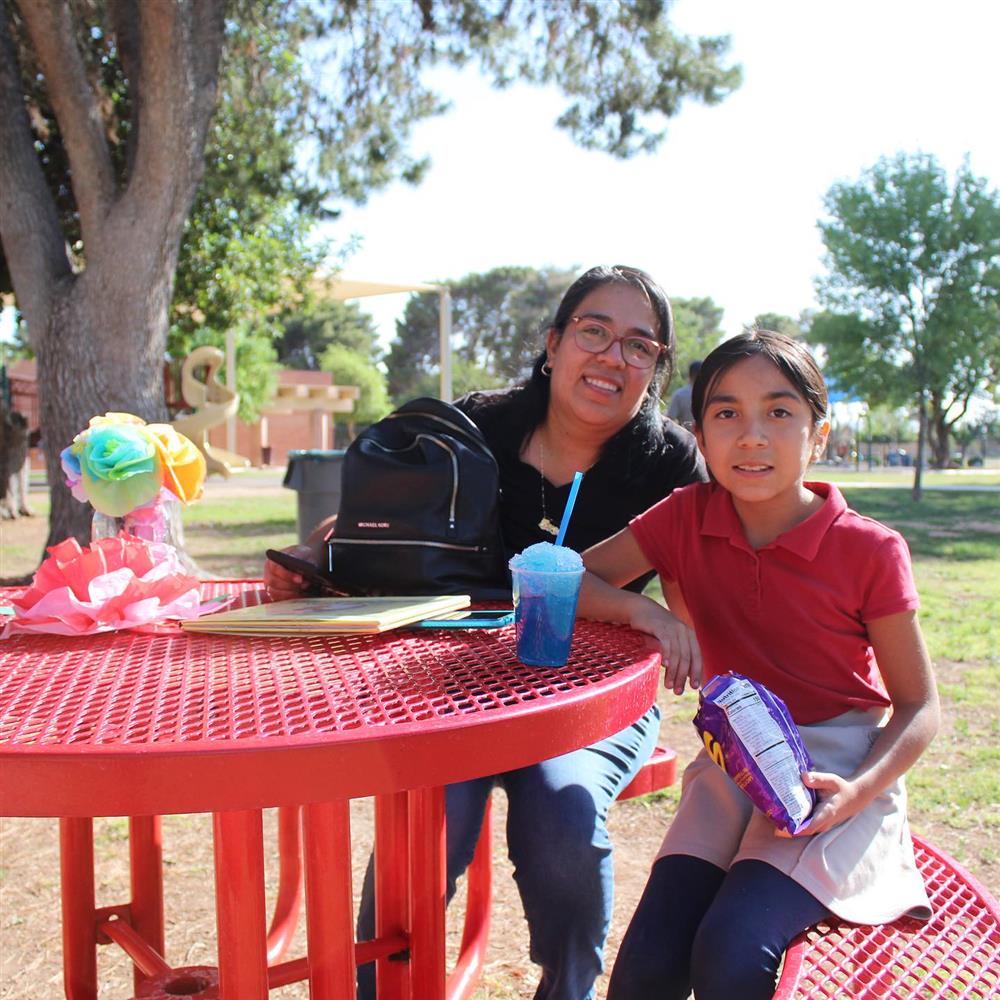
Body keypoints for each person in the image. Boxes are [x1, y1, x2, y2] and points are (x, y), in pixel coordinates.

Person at [264, 264, 708, 1000]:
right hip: (450, 678)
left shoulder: (668, 461)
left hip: (584, 691)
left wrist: (655, 618)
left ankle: (567, 987)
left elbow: (695, 596)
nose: (612, 357)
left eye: (639, 346)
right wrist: (311, 555)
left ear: (656, 367)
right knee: (430, 818)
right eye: (594, 332)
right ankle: (377, 987)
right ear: (554, 341)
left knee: (562, 812)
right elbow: (384, 519)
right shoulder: (480, 422)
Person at [576, 329, 940, 1000]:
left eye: (778, 411)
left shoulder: (870, 550)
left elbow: (920, 706)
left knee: (732, 951)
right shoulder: (685, 517)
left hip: (836, 767)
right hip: (733, 761)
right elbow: (566, 580)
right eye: (726, 414)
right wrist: (650, 614)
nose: (751, 435)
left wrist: (858, 792)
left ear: (819, 436)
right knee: (647, 968)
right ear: (700, 436)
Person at [666, 358, 702, 429]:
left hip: (685, 437)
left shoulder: (679, 394)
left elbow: (670, 419)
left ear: (689, 374)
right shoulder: (710, 395)